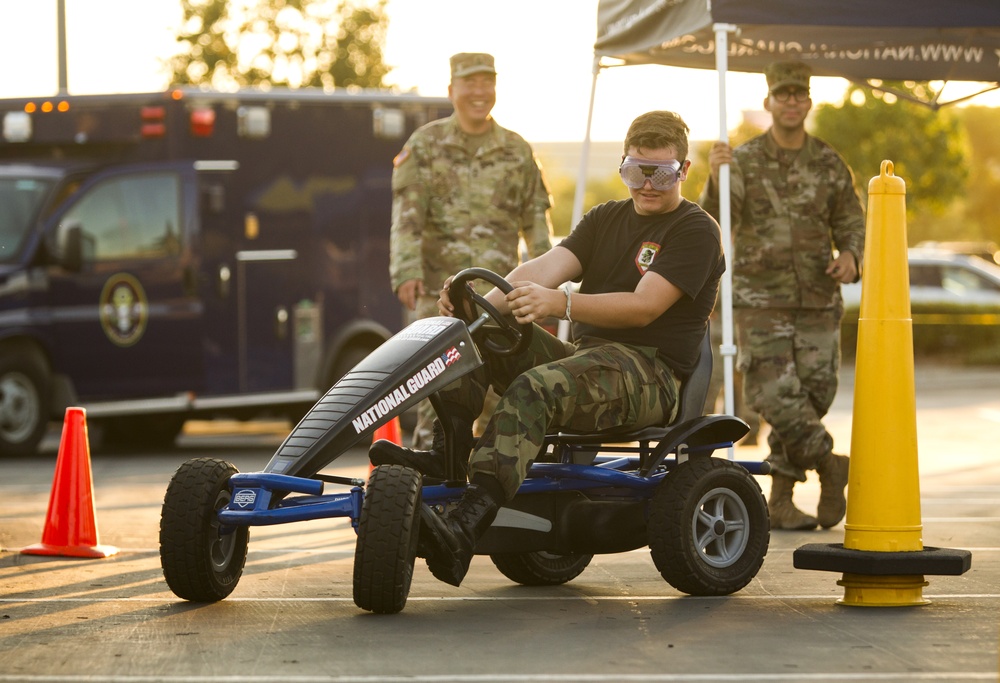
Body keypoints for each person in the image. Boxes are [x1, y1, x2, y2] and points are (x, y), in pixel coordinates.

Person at [372, 110, 724, 587]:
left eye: (659, 173)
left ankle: (464, 529)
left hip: (649, 373)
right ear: (623, 165)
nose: (645, 185)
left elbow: (645, 307)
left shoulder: (695, 230)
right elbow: (541, 268)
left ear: (683, 170)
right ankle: (448, 458)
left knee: (536, 388)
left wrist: (562, 303)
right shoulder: (606, 218)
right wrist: (474, 310)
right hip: (589, 362)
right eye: (634, 171)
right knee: (477, 340)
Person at [698, 61, 865, 531]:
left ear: (809, 102)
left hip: (818, 297)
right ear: (769, 102)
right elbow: (712, 220)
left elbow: (851, 217)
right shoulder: (741, 159)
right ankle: (831, 465)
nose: (791, 101)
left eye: (799, 94)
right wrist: (715, 177)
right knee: (772, 393)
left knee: (813, 395)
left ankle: (782, 499)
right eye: (782, 93)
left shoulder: (830, 162)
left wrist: (852, 253)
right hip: (760, 298)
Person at [389, 52, 553, 449]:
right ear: (451, 91)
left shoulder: (516, 150)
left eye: (487, 82)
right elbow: (407, 216)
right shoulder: (425, 145)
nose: (479, 92)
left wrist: (547, 293)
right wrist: (405, 271)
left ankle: (490, 490)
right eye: (470, 83)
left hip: (498, 297)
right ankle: (429, 485)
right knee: (437, 396)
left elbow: (536, 224)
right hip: (439, 299)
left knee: (504, 398)